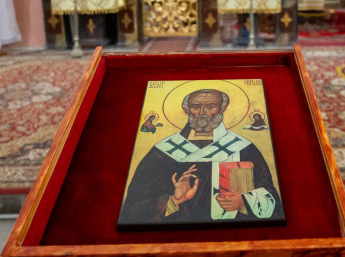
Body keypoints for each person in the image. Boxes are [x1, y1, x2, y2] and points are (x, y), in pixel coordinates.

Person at [119, 89, 282, 224]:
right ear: (187, 110)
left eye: (211, 106)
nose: (202, 112)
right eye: (196, 107)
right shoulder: (163, 152)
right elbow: (133, 209)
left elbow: (271, 199)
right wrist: (173, 201)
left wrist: (244, 202)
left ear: (223, 109)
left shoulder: (244, 149)